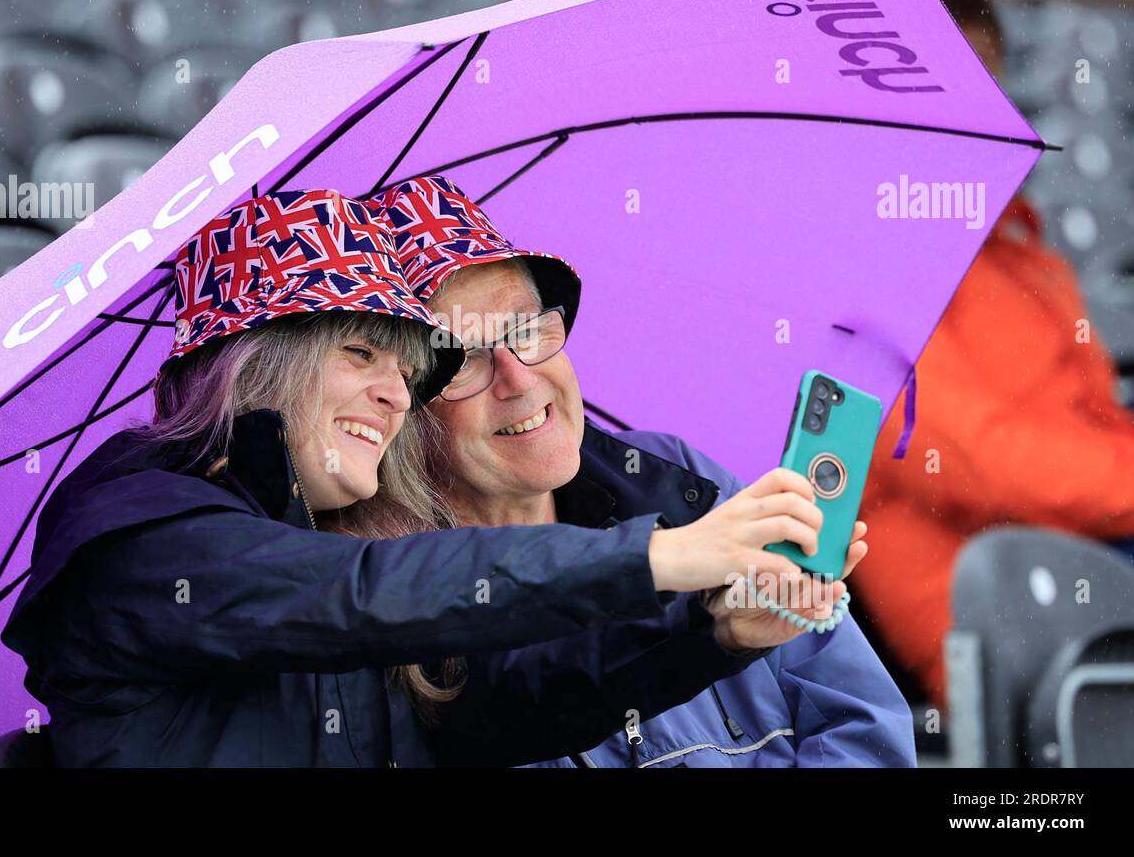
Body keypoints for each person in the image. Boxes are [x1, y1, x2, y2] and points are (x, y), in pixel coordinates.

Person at [0, 186, 834, 767]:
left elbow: (493, 709)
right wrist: (663, 558)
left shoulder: (315, 539)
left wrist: (710, 632)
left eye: (407, 367)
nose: (397, 393)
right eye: (361, 352)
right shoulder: (143, 531)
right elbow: (359, 590)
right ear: (258, 367)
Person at [371, 173, 914, 767]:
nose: (520, 377)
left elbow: (864, 725)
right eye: (464, 359)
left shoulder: (678, 479)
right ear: (399, 404)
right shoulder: (401, 610)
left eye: (526, 330)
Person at [854, 0, 1134, 709]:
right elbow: (983, 464)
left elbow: (1089, 431)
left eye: (989, 91)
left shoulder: (1021, 253)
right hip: (1015, 620)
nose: (977, 119)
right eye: (943, 90)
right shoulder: (855, 270)